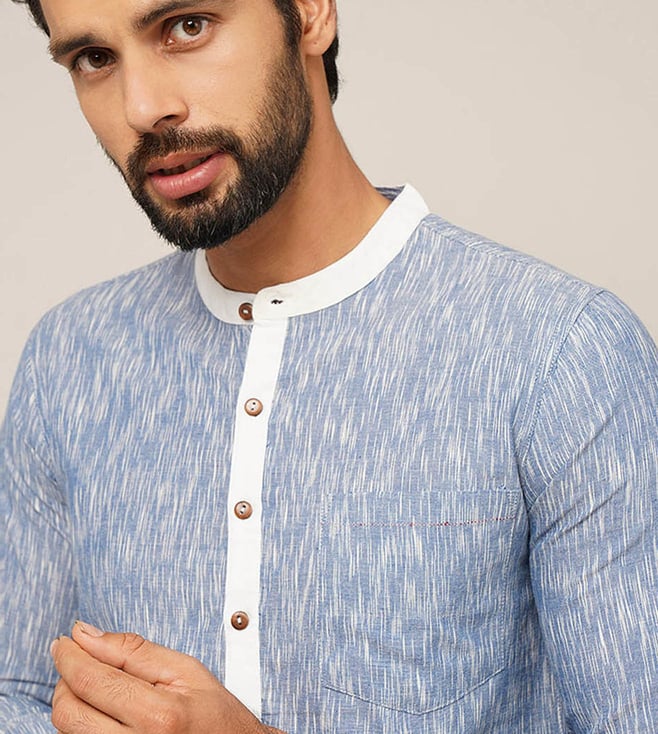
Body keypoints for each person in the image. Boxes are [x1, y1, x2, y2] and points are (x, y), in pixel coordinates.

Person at [1, 0, 657, 731]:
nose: (143, 107)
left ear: (311, 13)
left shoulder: (560, 352)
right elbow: (16, 696)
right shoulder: (69, 359)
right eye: (94, 59)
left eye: (187, 26)